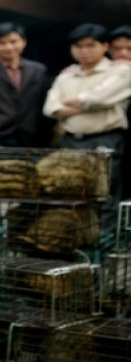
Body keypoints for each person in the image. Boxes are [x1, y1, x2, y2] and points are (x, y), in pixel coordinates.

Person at [43, 23, 131, 233]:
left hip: (105, 138)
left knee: (105, 192)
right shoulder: (67, 75)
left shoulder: (121, 71)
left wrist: (72, 105)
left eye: (90, 45)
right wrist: (84, 104)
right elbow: (50, 107)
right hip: (71, 139)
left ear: (104, 47)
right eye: (79, 46)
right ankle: (75, 239)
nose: (84, 51)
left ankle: (105, 243)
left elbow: (100, 98)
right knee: (70, 191)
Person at [108, 25, 131, 200]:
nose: (123, 53)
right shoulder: (103, 73)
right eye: (118, 48)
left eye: (129, 49)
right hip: (116, 137)